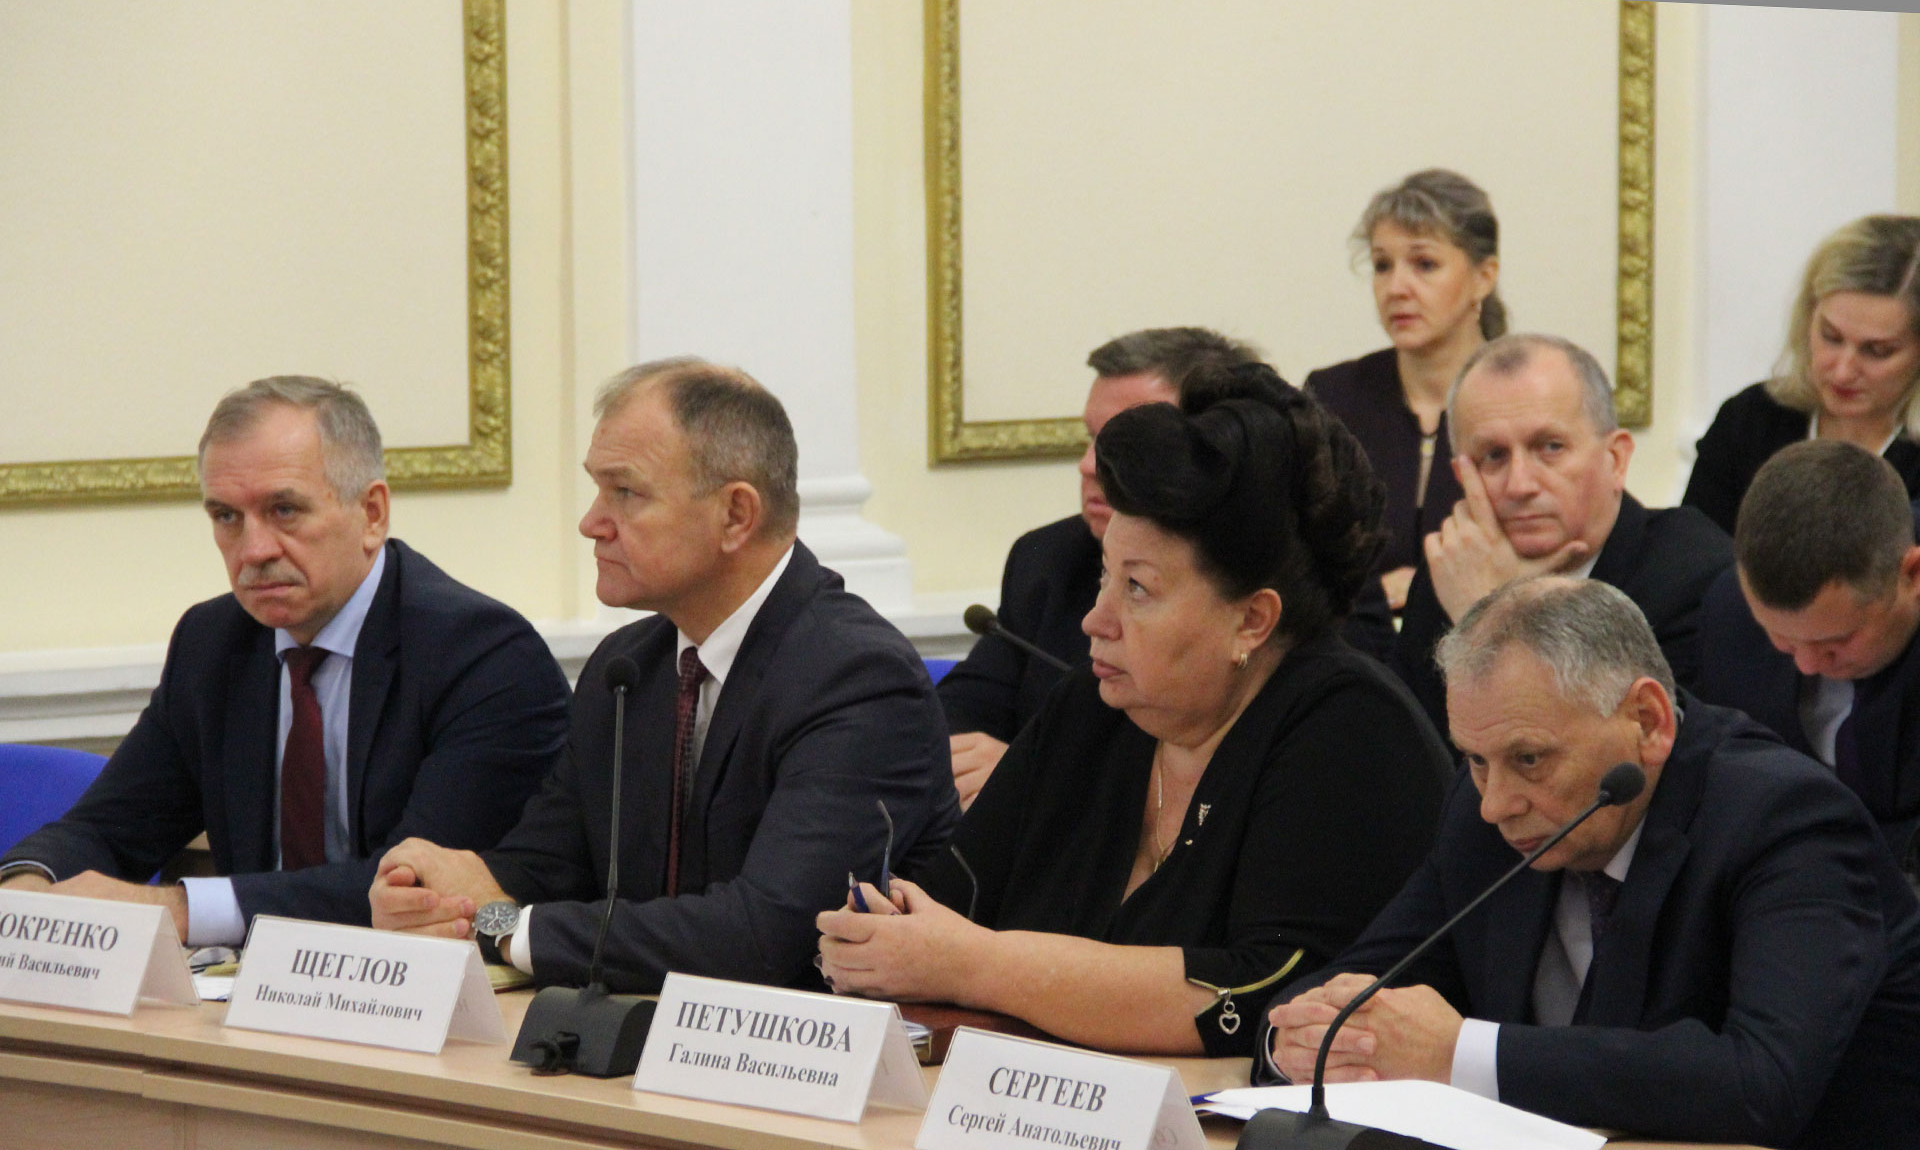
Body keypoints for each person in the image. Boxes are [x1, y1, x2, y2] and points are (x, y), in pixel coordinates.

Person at [817, 364, 1453, 1058]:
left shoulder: (1352, 730)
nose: (1096, 619)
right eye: (1104, 577)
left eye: (1138, 589)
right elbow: (949, 902)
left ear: (1252, 620)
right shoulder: (1096, 710)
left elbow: (1259, 995)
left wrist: (969, 964)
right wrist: (882, 933)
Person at [1262, 577, 1920, 1149]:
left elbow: (1760, 1083)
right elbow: (1354, 983)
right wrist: (1294, 1042)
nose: (1495, 804)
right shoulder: (1483, 815)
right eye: (1476, 760)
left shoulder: (1786, 822)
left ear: (1648, 721)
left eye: (1529, 759)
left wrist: (1460, 1052)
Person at [370, 357, 959, 992]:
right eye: (598, 490)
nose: (591, 523)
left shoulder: (859, 679)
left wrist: (507, 928)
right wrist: (440, 901)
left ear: (735, 515)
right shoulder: (626, 668)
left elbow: (765, 937)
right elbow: (545, 868)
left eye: (625, 493)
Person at [0, 377, 570, 944]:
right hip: (250, 984)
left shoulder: (482, 654)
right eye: (227, 516)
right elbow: (110, 827)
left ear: (372, 514)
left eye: (285, 510)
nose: (254, 550)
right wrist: (28, 885)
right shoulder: (212, 643)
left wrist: (182, 909)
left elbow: (415, 890)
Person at [938, 327, 1394, 809]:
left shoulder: (1309, 585)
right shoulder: (1048, 559)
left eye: (1126, 440)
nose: (1089, 464)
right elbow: (958, 710)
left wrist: (1034, 776)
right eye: (1092, 438)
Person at [1392, 333, 1731, 734]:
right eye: (1494, 456)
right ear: (1460, 477)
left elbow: (1626, 752)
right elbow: (1417, 754)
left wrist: (1489, 615)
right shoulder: (1451, 575)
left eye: (1550, 447)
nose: (1520, 485)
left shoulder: (1696, 579)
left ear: (1616, 459)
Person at [1697, 439, 1920, 874]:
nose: (1807, 665)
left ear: (1911, 575)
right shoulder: (1728, 614)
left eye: (1837, 640)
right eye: (1781, 637)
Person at [1306, 169, 1504, 612]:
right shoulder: (1332, 398)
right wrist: (1376, 593)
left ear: (1484, 276)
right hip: (1356, 639)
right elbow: (1300, 557)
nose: (1396, 288)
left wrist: (1425, 589)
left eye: (1424, 264)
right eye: (1382, 265)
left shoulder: (1521, 399)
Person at [1683, 215, 1920, 535]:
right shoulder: (1750, 420)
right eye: (1831, 337)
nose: (1843, 371)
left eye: (1877, 351)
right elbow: (1695, 554)